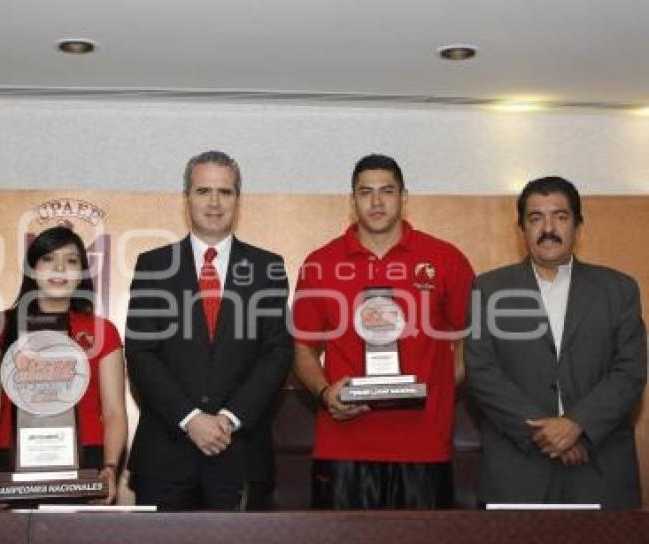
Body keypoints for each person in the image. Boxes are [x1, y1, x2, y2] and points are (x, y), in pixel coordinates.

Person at [292, 154, 474, 509]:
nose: (376, 202)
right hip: (343, 446)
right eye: (365, 192)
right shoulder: (320, 263)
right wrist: (326, 393)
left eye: (387, 191)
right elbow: (302, 347)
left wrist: (438, 386)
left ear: (404, 197)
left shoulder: (444, 258)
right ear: (351, 201)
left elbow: (472, 337)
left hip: (424, 447)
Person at [465, 176, 646, 508]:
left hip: (599, 468)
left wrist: (578, 424)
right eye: (535, 218)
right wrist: (548, 434)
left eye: (560, 216)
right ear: (521, 229)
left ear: (578, 225)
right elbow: (481, 372)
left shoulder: (619, 290)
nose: (548, 228)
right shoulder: (488, 290)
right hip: (517, 472)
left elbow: (629, 372)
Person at [125, 150, 292, 510]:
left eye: (225, 192)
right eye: (203, 191)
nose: (214, 202)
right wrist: (191, 420)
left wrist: (228, 419)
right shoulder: (153, 265)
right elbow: (141, 353)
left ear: (238, 199)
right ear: (187, 198)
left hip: (241, 454)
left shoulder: (268, 268)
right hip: (165, 458)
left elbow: (276, 354)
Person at [0, 226, 127, 507]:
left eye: (70, 261)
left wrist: (110, 467)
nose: (60, 268)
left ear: (81, 272)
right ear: (32, 268)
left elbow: (114, 410)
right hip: (11, 460)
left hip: (88, 460)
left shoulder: (103, 331)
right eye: (48, 259)